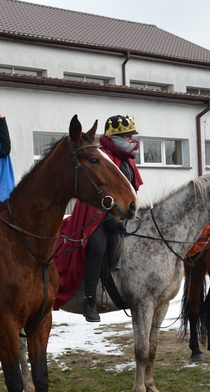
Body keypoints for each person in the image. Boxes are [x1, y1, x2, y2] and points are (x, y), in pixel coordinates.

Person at [54, 115, 143, 322]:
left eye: (132, 136)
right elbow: (97, 194)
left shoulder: (127, 159)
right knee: (97, 246)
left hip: (121, 213)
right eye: (129, 136)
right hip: (97, 215)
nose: (132, 140)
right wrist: (109, 221)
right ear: (116, 137)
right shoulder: (103, 156)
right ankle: (90, 299)